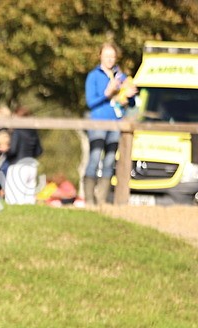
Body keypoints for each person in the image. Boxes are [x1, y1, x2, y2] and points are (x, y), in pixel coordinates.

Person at [84, 42, 138, 207]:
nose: (110, 59)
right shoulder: (94, 76)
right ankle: (89, 200)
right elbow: (90, 102)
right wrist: (107, 93)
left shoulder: (121, 77)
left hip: (116, 123)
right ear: (100, 56)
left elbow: (133, 103)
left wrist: (130, 95)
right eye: (107, 56)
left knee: (109, 161)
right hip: (98, 123)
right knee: (95, 157)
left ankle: (102, 200)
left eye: (112, 56)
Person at [5, 107, 43, 204]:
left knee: (14, 199)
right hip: (31, 167)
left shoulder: (17, 131)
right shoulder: (33, 132)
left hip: (18, 166)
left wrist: (5, 152)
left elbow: (13, 150)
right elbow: (39, 151)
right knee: (29, 199)